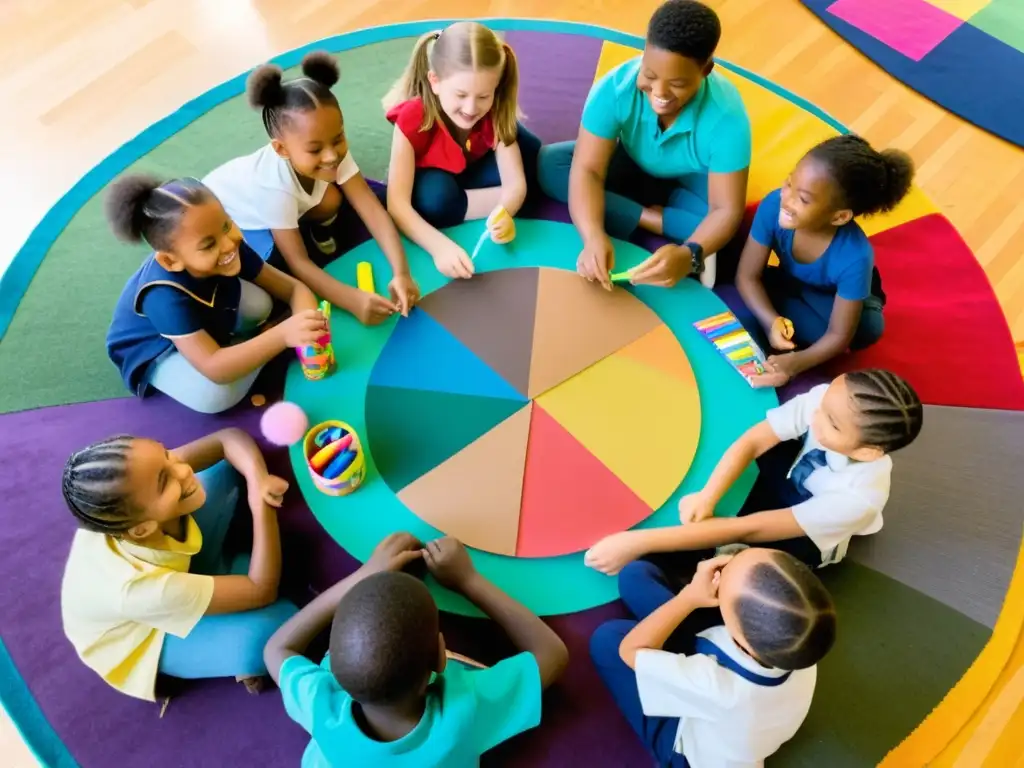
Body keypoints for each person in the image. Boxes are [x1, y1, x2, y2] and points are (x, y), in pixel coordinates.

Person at [264, 535, 568, 767]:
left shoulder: (320, 704)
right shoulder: (464, 708)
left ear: (334, 669)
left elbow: (277, 648)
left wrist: (360, 578)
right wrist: (468, 580)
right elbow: (552, 654)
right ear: (440, 656)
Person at [585, 369, 923, 574]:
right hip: (793, 477)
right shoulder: (826, 403)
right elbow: (754, 440)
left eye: (831, 424)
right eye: (822, 407)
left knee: (752, 560)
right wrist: (708, 495)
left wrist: (635, 541)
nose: (815, 415)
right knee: (751, 465)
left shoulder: (858, 498)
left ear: (866, 451)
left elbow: (751, 529)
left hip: (806, 530)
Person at [60, 429, 297, 701]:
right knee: (275, 631)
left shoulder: (143, 491)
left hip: (165, 576)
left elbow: (225, 440)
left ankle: (217, 579)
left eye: (165, 453)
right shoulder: (141, 590)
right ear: (142, 529)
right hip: (147, 634)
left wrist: (258, 479)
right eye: (164, 481)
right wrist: (261, 506)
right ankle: (222, 642)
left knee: (219, 471)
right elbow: (261, 590)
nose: (182, 470)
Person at [537, 0, 750, 290]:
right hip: (630, 164)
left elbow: (725, 210)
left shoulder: (728, 118)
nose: (659, 93)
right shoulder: (614, 88)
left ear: (706, 70)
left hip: (688, 184)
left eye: (677, 83)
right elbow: (587, 169)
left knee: (726, 234)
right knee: (551, 164)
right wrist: (593, 235)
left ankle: (633, 213)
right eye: (649, 75)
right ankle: (647, 217)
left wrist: (689, 255)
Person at [204, 51, 419, 324]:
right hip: (239, 219)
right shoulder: (273, 188)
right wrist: (352, 300)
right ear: (281, 149)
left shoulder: (329, 150)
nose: (331, 155)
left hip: (284, 198)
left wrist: (401, 273)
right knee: (277, 266)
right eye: (315, 149)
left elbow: (371, 208)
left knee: (331, 201)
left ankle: (312, 225)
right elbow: (299, 263)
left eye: (338, 138)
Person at [590, 548, 836, 767]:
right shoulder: (800, 639)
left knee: (607, 640)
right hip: (740, 704)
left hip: (689, 752)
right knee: (636, 575)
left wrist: (689, 598)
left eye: (724, 578)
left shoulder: (718, 685)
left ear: (739, 636)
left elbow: (629, 651)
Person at [105, 174, 325, 414]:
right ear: (170, 260)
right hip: (157, 347)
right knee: (215, 397)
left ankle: (238, 347)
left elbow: (293, 288)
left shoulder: (228, 245)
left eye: (226, 225)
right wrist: (282, 335)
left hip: (205, 310)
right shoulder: (162, 296)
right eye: (209, 244)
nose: (229, 244)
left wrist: (309, 328)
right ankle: (242, 347)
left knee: (259, 304)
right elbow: (215, 368)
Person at [736, 135, 914, 388]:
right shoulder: (774, 206)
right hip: (792, 280)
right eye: (789, 183)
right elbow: (747, 276)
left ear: (839, 216)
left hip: (833, 298)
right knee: (742, 277)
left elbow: (838, 336)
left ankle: (804, 309)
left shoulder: (855, 256)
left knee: (865, 330)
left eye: (804, 199)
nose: (787, 199)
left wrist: (794, 363)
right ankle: (787, 305)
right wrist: (770, 321)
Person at [382, 22, 541, 280]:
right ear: (435, 82)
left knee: (531, 153)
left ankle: (466, 199)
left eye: (483, 96)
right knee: (435, 199)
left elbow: (515, 185)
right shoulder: (413, 118)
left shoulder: (497, 110)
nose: (470, 108)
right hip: (437, 177)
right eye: (461, 94)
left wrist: (505, 212)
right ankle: (462, 199)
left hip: (473, 167)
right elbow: (397, 204)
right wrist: (439, 247)